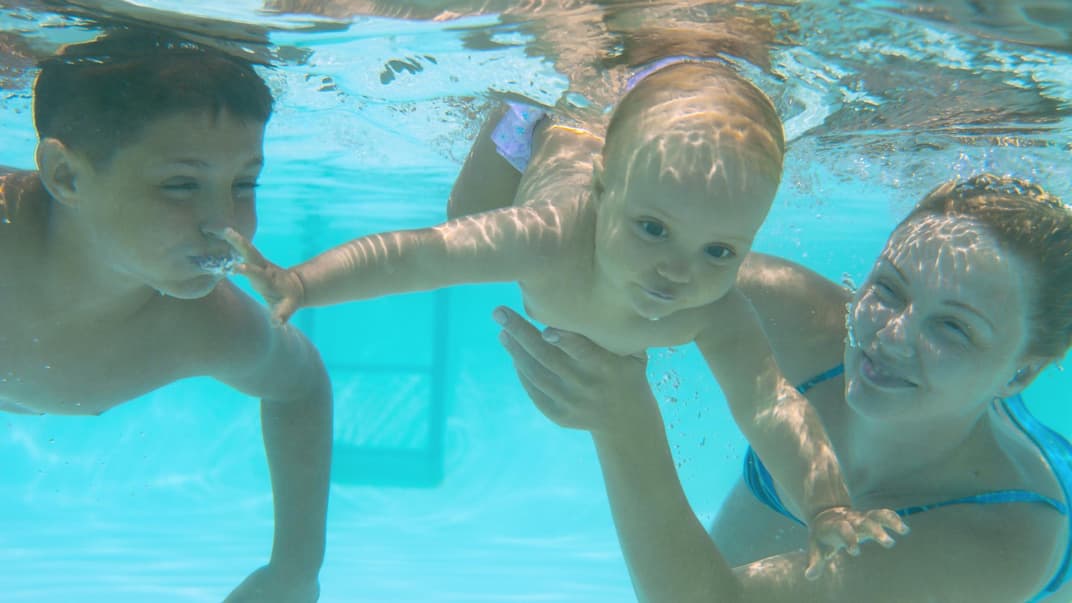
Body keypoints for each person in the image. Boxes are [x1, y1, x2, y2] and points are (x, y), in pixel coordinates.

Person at [222, 58, 905, 567]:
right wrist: (303, 282)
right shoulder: (547, 238)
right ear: (603, 192)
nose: (679, 271)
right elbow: (420, 256)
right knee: (466, 215)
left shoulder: (715, 310)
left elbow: (770, 403)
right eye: (652, 229)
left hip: (617, 142)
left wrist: (826, 503)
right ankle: (524, 105)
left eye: (720, 250)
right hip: (553, 142)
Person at [493, 173, 1072, 602]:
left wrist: (623, 423)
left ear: (1021, 374)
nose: (890, 336)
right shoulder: (806, 323)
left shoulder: (1005, 539)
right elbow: (593, 254)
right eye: (888, 289)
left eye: (953, 328)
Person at [0, 29, 332, 602]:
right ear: (65, 176)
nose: (225, 226)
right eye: (180, 185)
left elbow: (300, 386)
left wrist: (295, 570)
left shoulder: (201, 325)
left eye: (245, 183)